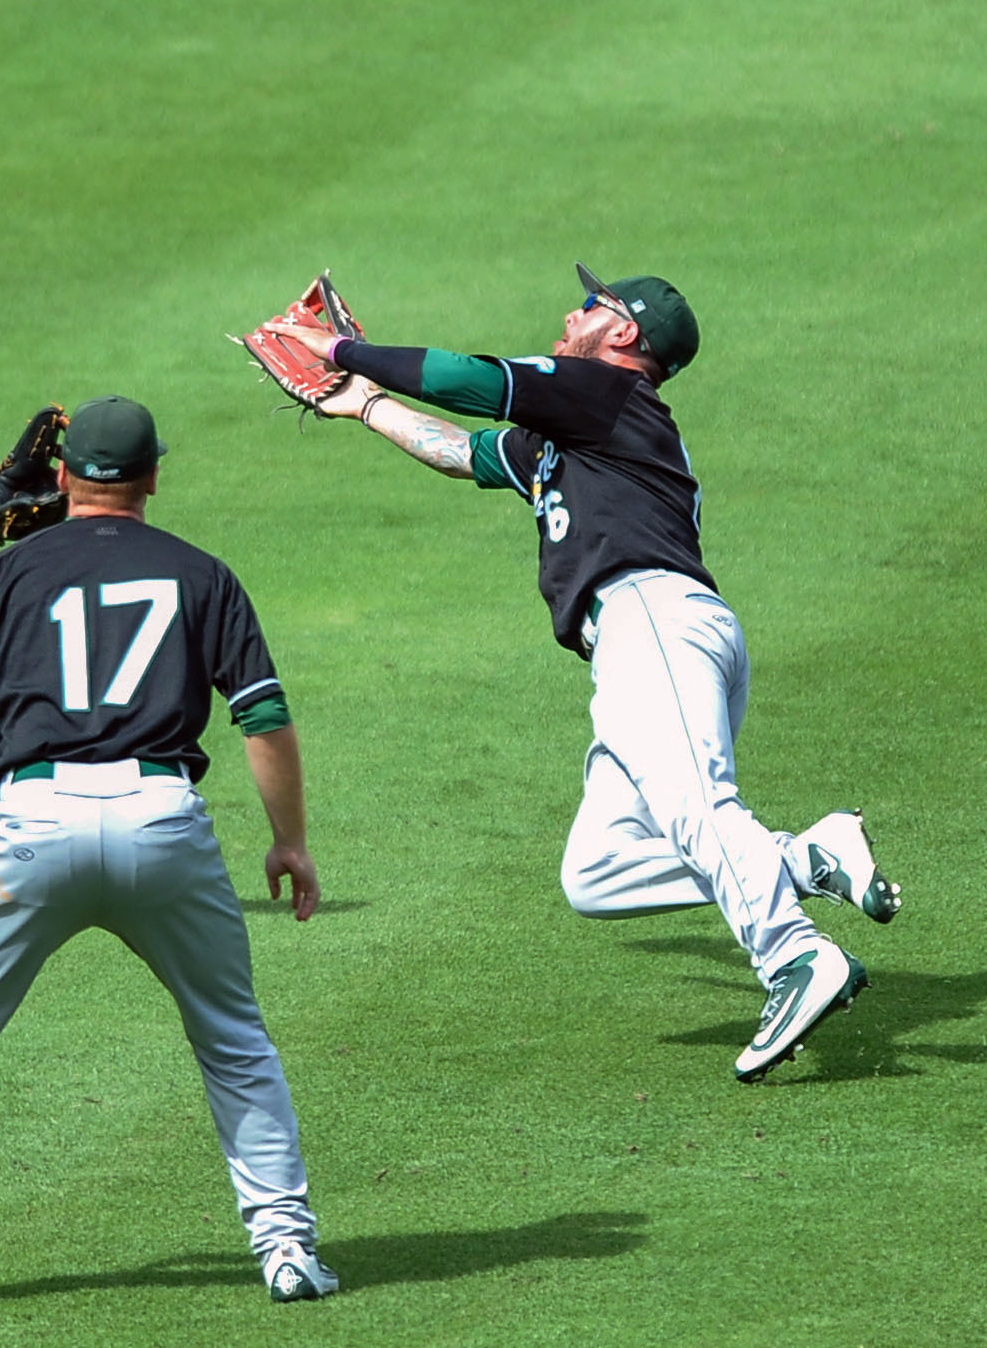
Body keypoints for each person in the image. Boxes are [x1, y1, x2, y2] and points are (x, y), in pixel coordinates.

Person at [268, 264, 900, 1083]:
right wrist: (363, 402)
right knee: (598, 869)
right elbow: (464, 452)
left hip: (652, 624)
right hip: (646, 639)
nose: (571, 315)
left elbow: (468, 380)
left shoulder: (602, 394)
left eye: (591, 307)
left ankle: (795, 957)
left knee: (700, 807)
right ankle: (806, 859)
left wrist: (340, 345)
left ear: (624, 334)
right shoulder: (581, 432)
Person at [0, 396, 336, 1311]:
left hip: (31, 827)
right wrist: (289, 842)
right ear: (153, 477)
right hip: (162, 825)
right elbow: (261, 716)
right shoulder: (203, 574)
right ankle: (287, 1249)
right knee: (233, 1042)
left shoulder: (6, 576)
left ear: (61, 478)